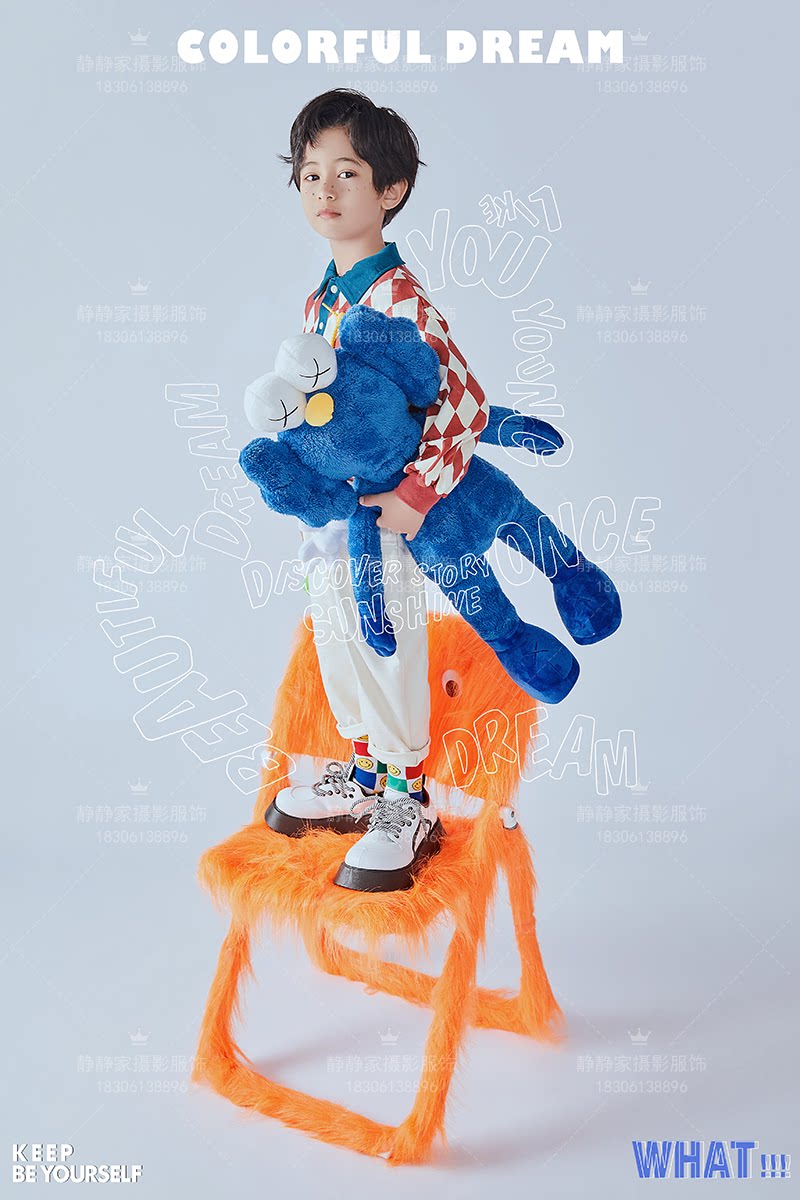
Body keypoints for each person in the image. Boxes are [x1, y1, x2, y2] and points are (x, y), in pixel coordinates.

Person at [266, 88, 489, 892]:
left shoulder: (399, 297)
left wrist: (417, 494)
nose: (324, 190)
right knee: (338, 637)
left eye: (347, 173)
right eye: (310, 173)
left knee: (382, 637)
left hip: (385, 516)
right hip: (332, 512)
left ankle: (407, 798)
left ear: (390, 189)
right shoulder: (322, 295)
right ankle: (363, 776)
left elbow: (464, 401)